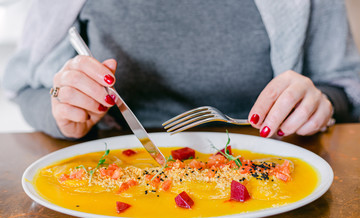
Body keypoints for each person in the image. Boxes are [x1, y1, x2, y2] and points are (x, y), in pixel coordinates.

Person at [2, 0, 360, 140]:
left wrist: (320, 102)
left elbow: (344, 87)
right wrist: (62, 110)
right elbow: (25, 88)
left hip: (269, 168)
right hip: (120, 174)